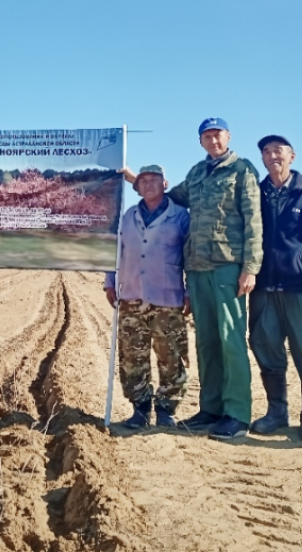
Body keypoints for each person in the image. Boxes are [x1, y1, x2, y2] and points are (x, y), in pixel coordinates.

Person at [125, 118, 263, 439]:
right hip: (197, 269)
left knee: (230, 340)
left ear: (227, 137)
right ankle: (211, 408)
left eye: (217, 135)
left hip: (229, 266)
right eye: (207, 136)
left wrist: (251, 267)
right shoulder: (197, 174)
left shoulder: (242, 171)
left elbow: (254, 220)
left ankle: (237, 414)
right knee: (207, 342)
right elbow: (168, 196)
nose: (213, 140)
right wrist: (135, 179)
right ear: (200, 141)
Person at [248, 135, 302, 443]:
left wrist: (299, 263)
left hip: (300, 287)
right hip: (263, 287)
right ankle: (276, 412)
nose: (272, 156)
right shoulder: (255, 193)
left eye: (278, 151)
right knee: (266, 348)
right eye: (266, 152)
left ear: (292, 156)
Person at [104, 165, 190, 429]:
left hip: (168, 297)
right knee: (132, 357)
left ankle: (167, 408)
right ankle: (140, 409)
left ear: (165, 184)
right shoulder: (127, 217)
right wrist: (110, 282)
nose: (148, 184)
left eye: (154, 180)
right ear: (136, 187)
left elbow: (191, 255)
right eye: (143, 181)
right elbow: (113, 251)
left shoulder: (181, 217)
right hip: (131, 296)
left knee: (171, 356)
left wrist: (190, 291)